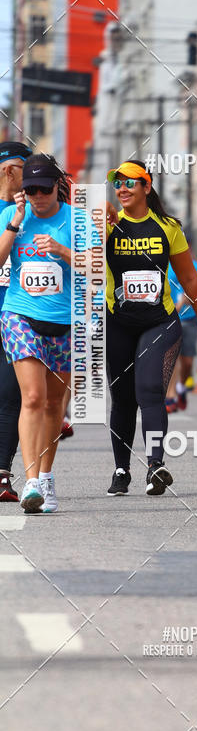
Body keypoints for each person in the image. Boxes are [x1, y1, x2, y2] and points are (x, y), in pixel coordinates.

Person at [105, 159, 197, 496]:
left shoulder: (167, 227)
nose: (122, 188)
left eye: (130, 182)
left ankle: (155, 465)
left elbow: (188, 278)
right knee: (123, 399)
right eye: (118, 183)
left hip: (160, 321)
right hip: (119, 323)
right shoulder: (109, 225)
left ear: (146, 186)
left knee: (151, 391)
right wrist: (102, 217)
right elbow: (87, 255)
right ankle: (121, 469)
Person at [0, 153, 92, 513]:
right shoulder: (13, 216)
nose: (37, 196)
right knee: (34, 398)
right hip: (20, 315)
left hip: (66, 321)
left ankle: (47, 475)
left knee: (55, 403)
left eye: (43, 189)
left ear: (58, 187)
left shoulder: (77, 220)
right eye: (30, 189)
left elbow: (95, 267)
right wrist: (14, 224)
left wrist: (62, 251)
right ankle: (32, 480)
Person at [0, 141, 32, 501]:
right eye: (27, 170)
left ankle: (2, 475)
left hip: (16, 319)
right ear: (10, 171)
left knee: (10, 397)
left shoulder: (35, 212)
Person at [165, 256, 197, 411]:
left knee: (187, 362)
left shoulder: (195, 266)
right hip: (170, 319)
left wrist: (192, 295)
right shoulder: (163, 264)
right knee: (172, 357)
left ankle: (181, 388)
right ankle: (170, 397)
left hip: (190, 319)